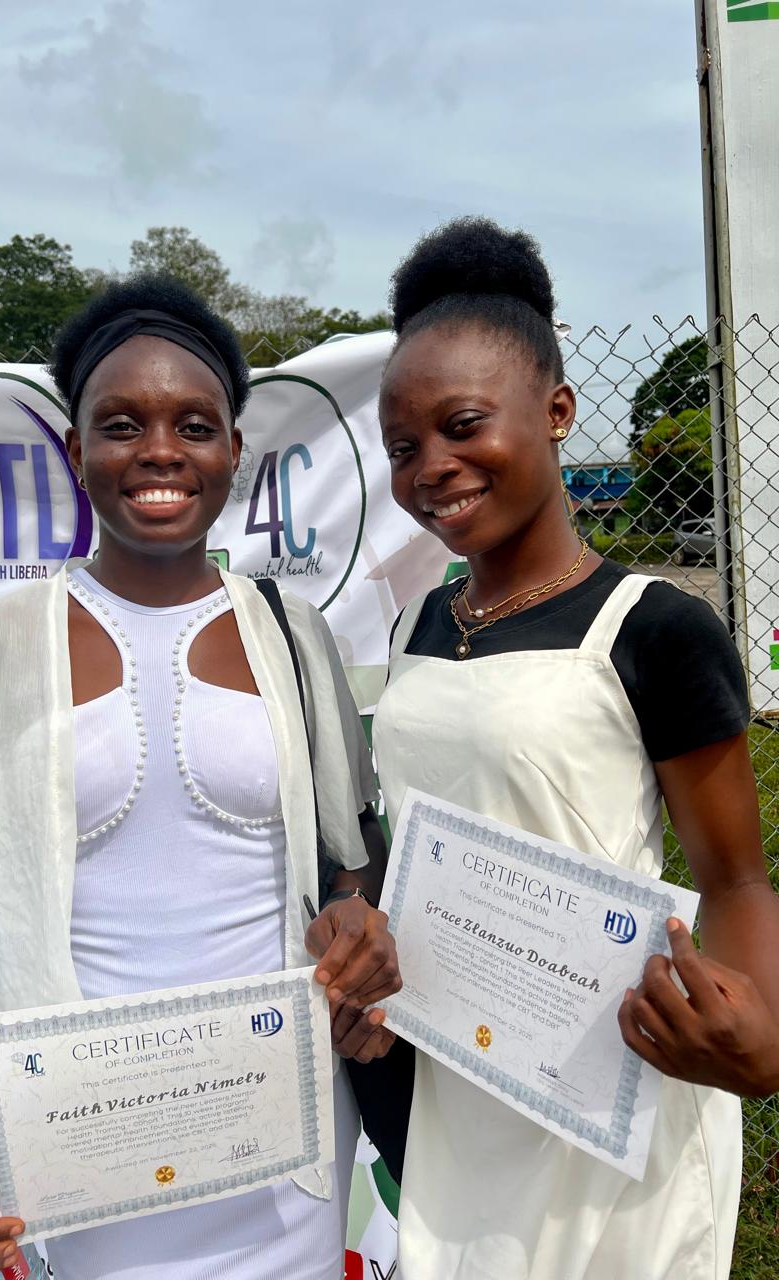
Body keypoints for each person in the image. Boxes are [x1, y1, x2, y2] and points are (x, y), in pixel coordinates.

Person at [0, 272, 400, 1280]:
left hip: (278, 1139)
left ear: (233, 453)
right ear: (76, 451)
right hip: (78, 1148)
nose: (161, 451)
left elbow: (349, 871)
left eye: (195, 425)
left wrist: (359, 926)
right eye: (122, 424)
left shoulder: (296, 639)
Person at [370, 217, 779, 1280]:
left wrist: (760, 1031)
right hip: (459, 1072)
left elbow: (734, 873)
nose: (433, 469)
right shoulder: (421, 621)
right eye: (404, 446)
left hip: (611, 1083)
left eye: (464, 425)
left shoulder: (652, 628)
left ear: (557, 410)